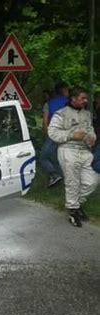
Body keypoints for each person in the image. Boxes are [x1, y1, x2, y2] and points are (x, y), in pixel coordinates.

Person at [48, 87, 97, 227]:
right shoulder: (61, 114)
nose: (85, 101)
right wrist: (71, 135)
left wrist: (92, 138)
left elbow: (90, 130)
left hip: (85, 151)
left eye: (86, 98)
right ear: (73, 98)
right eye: (83, 98)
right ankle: (73, 212)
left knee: (92, 181)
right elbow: (52, 133)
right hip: (68, 150)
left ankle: (76, 204)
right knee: (72, 181)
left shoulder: (87, 114)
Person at [41, 82, 69, 187]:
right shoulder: (71, 103)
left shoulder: (48, 103)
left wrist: (46, 134)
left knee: (44, 157)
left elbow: (45, 122)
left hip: (54, 134)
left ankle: (55, 175)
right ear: (64, 90)